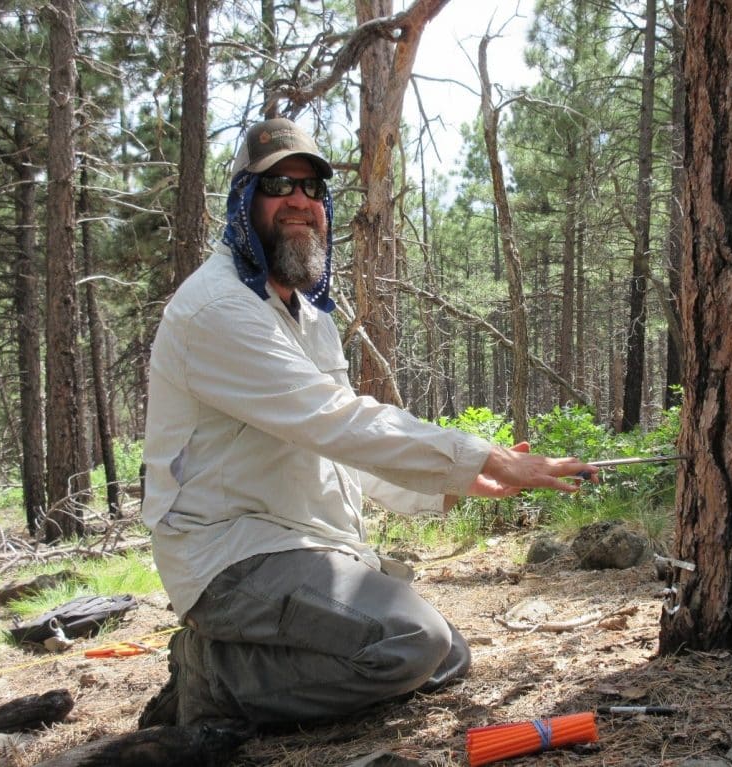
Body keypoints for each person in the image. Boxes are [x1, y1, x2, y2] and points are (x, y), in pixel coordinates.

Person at [137, 117, 596, 730]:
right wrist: (480, 454)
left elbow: (336, 448)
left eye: (311, 189)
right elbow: (337, 420)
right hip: (233, 556)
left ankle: (251, 662)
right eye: (278, 185)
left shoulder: (304, 313)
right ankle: (214, 676)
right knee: (411, 645)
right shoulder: (219, 310)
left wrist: (455, 482)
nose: (299, 201)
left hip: (304, 542)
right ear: (244, 201)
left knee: (445, 654)